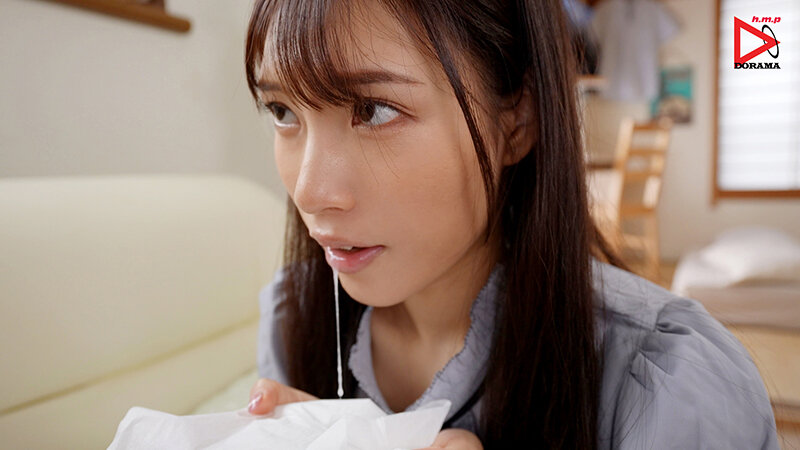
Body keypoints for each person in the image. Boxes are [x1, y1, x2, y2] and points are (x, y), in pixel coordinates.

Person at [241, 0, 780, 448]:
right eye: (283, 111)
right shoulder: (294, 318)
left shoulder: (671, 387)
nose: (309, 193)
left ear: (517, 120)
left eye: (374, 110)